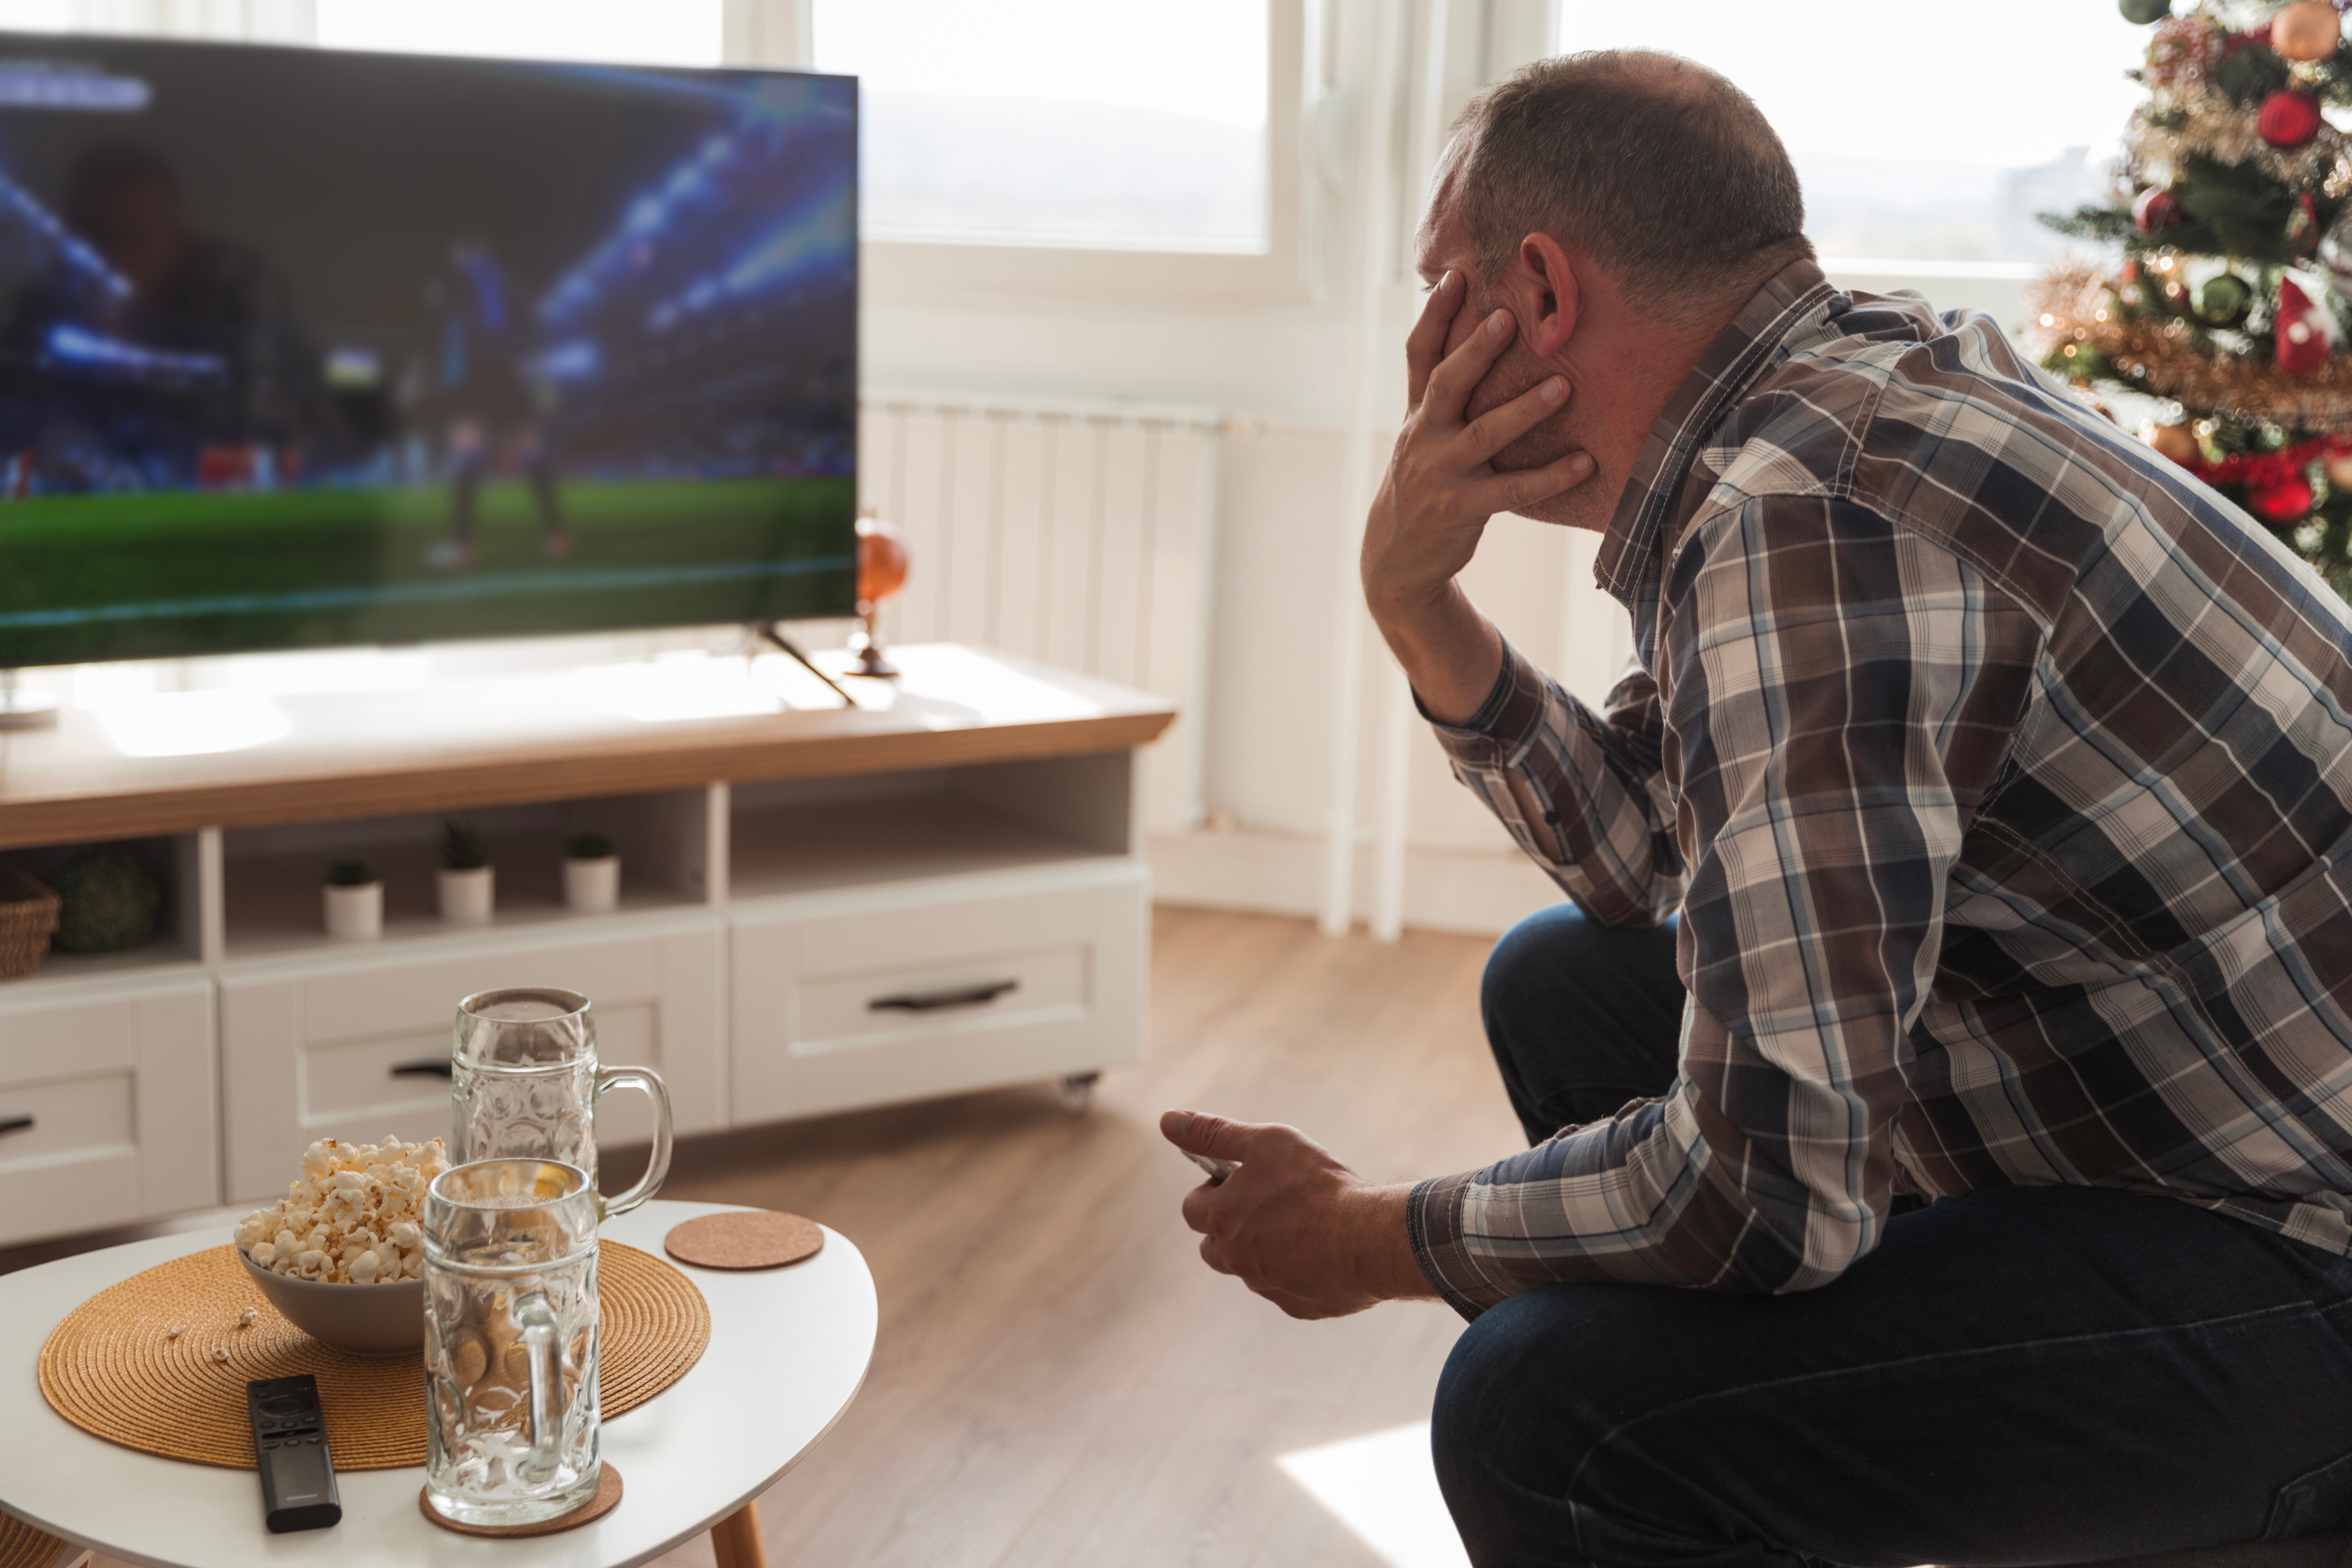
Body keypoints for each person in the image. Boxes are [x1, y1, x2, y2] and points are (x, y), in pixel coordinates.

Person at [1161, 48, 2352, 1568]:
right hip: (2191, 1112)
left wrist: (1365, 1230)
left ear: (1536, 290)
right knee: (1567, 983)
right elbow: (1652, 859)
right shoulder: (1840, 400)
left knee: (1547, 1411)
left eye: (1435, 287)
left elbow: (1770, 1190)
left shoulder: (1813, 527)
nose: (1418, 339)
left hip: (2298, 1254)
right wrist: (1421, 608)